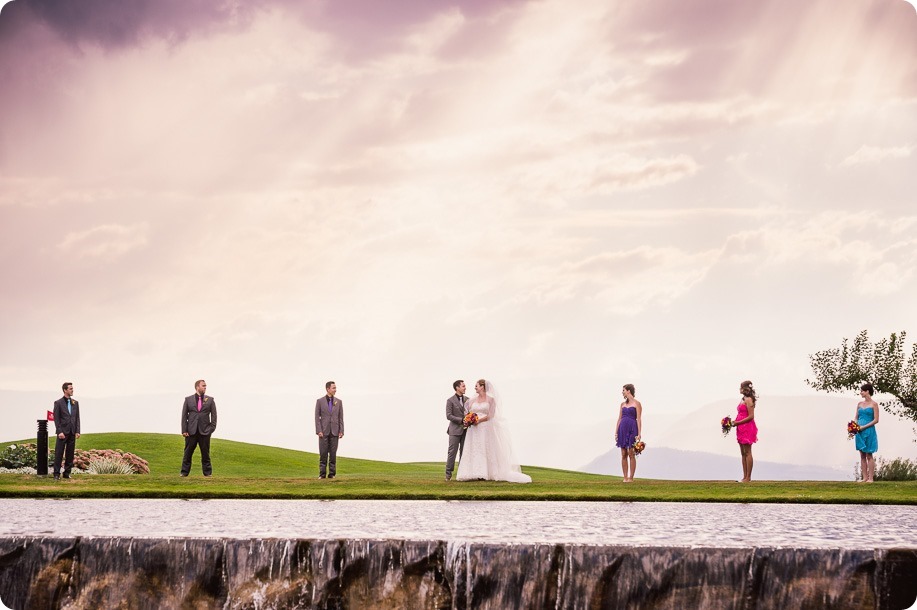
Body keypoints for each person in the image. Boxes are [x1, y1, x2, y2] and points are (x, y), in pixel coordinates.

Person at [456, 379, 531, 483]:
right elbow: (467, 413)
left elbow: (491, 415)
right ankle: (471, 472)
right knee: (474, 449)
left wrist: (479, 420)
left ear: (482, 386)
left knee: (484, 449)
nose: (475, 388)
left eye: (476, 385)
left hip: (485, 428)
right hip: (474, 429)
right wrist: (469, 420)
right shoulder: (472, 400)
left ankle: (485, 473)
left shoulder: (491, 400)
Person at [180, 379, 217, 477]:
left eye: (205, 386)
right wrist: (184, 430)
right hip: (191, 432)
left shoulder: (210, 400)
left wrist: (210, 429)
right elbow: (184, 416)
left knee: (205, 454)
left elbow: (214, 417)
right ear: (197, 387)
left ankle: (208, 474)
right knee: (187, 453)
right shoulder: (188, 399)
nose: (205, 387)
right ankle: (184, 473)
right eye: (203, 385)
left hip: (205, 432)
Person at [315, 381, 344, 479]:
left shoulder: (339, 402)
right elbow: (316, 417)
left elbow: (340, 417)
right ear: (328, 389)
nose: (335, 390)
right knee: (323, 453)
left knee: (333, 454)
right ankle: (322, 474)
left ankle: (332, 474)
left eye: (335, 388)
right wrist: (319, 430)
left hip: (335, 431)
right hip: (323, 431)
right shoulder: (320, 401)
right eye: (333, 388)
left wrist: (341, 430)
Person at [613, 383, 642, 483]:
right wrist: (616, 431)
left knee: (631, 453)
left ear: (628, 391)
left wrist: (639, 433)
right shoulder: (622, 404)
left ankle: (631, 478)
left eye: (623, 390)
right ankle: (625, 477)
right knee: (623, 453)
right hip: (622, 429)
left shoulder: (637, 404)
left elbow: (638, 419)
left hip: (632, 428)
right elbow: (619, 418)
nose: (622, 392)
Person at [52, 382, 81, 480]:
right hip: (62, 433)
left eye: (72, 388)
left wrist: (77, 431)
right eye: (70, 388)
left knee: (70, 454)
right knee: (59, 453)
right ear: (65, 390)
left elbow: (77, 418)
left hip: (72, 432)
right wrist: (59, 431)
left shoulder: (75, 403)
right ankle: (56, 474)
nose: (72, 390)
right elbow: (56, 418)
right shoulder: (58, 403)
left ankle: (67, 473)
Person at [854, 383, 879, 483]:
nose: (861, 393)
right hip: (859, 431)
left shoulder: (874, 404)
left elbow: (876, 420)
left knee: (869, 455)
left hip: (869, 430)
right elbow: (856, 417)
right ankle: (864, 478)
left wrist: (863, 427)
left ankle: (871, 478)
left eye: (862, 391)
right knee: (862, 455)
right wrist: (855, 426)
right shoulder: (859, 404)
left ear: (867, 391)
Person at [734, 380, 758, 482]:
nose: (739, 389)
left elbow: (751, 416)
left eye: (741, 387)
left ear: (745, 389)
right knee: (743, 453)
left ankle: (748, 477)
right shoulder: (742, 399)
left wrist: (738, 422)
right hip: (740, 428)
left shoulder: (748, 400)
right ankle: (744, 477)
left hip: (747, 428)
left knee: (748, 452)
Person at [445, 379, 468, 481]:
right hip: (454, 430)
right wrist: (461, 420)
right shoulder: (450, 401)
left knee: (464, 453)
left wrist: (469, 420)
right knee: (452, 452)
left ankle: (461, 474)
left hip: (466, 431)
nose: (465, 388)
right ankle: (448, 474)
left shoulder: (468, 399)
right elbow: (448, 415)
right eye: (463, 386)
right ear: (457, 388)